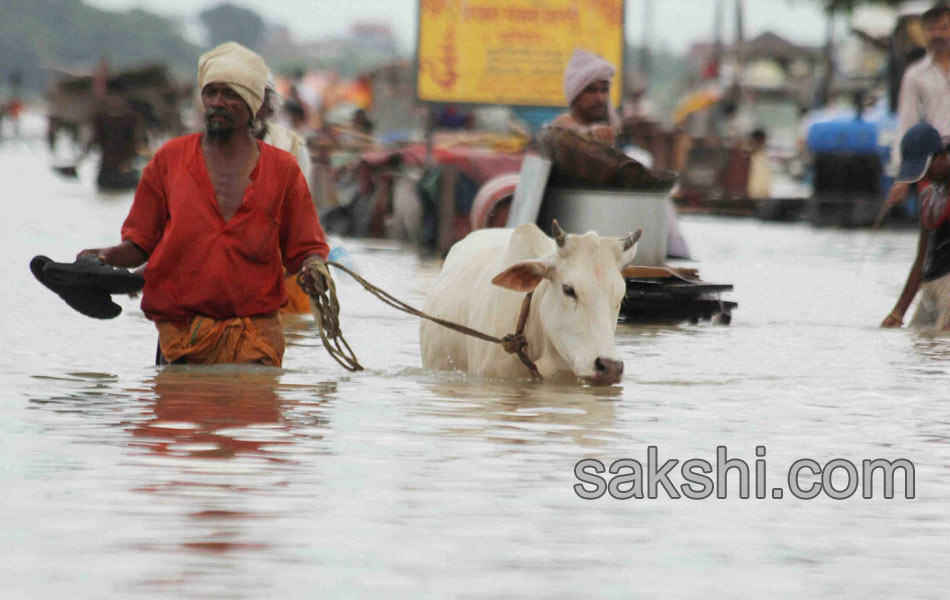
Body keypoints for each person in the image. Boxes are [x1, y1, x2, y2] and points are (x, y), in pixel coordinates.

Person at [77, 42, 330, 366]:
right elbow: (140, 244)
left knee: (258, 418)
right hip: (182, 340)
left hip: (255, 343)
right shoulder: (169, 160)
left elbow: (305, 246)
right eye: (211, 93)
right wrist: (102, 256)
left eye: (230, 94)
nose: (217, 103)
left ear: (253, 103)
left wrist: (313, 267)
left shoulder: (284, 169)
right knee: (177, 409)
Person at [252, 80, 316, 315]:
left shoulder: (291, 145)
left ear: (268, 108)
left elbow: (302, 205)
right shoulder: (215, 146)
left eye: (257, 100)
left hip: (280, 253)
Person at [882, 123, 950, 329]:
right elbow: (922, 257)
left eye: (926, 168)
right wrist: (898, 312)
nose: (925, 175)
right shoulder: (928, 192)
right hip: (931, 286)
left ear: (941, 157)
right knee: (920, 344)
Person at [886, 3, 950, 208]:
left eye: (944, 28)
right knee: (931, 218)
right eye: (931, 29)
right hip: (934, 159)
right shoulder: (915, 74)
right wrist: (902, 176)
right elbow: (906, 123)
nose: (937, 35)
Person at [550, 48, 620, 146]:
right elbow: (564, 126)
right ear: (575, 93)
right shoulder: (561, 128)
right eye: (591, 90)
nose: (600, 98)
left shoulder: (611, 132)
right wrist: (589, 134)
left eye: (604, 90)